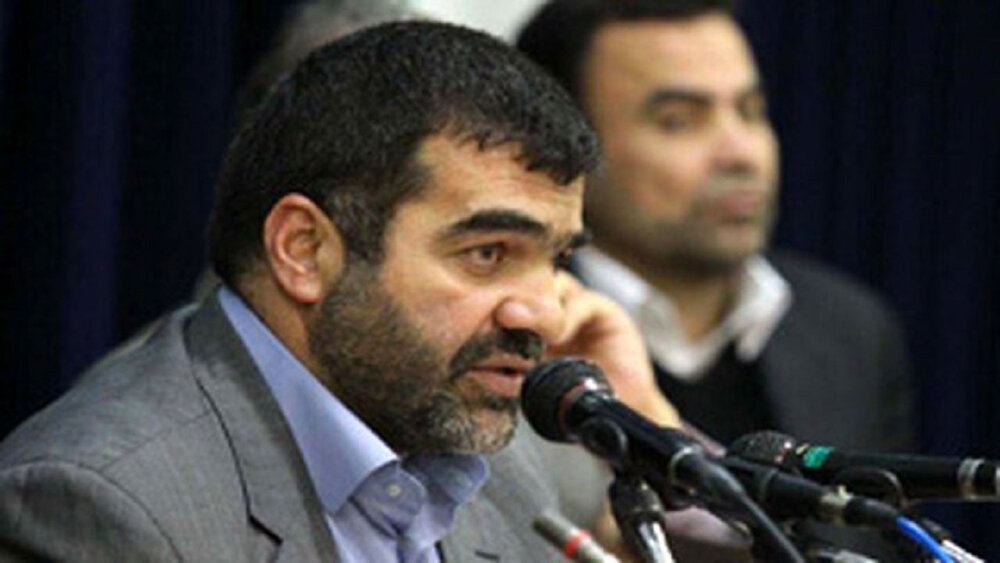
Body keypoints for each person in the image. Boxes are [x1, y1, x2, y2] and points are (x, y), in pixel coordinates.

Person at [0, 21, 679, 561]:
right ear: (304, 250)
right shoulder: (101, 505)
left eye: (557, 259)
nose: (543, 314)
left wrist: (646, 423)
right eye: (487, 253)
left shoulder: (497, 455)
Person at [517, 0, 916, 558]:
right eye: (679, 121)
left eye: (751, 111)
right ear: (564, 148)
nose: (740, 153)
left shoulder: (847, 329)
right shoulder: (522, 330)